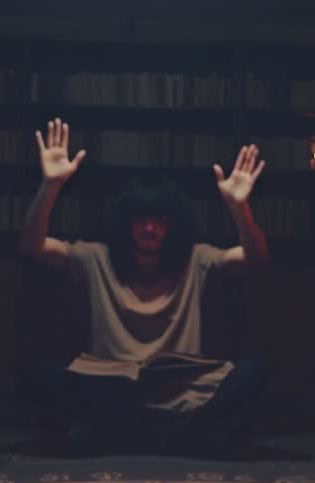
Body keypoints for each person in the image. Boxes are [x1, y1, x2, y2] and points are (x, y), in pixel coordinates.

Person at [18, 117, 270, 456]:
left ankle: (121, 436)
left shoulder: (197, 259)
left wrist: (240, 208)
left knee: (253, 373)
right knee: (38, 372)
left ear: (172, 224)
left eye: (159, 220)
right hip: (113, 389)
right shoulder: (96, 257)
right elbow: (31, 247)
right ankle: (176, 438)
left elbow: (256, 259)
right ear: (126, 221)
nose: (149, 228)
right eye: (141, 219)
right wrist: (50, 187)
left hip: (182, 390)